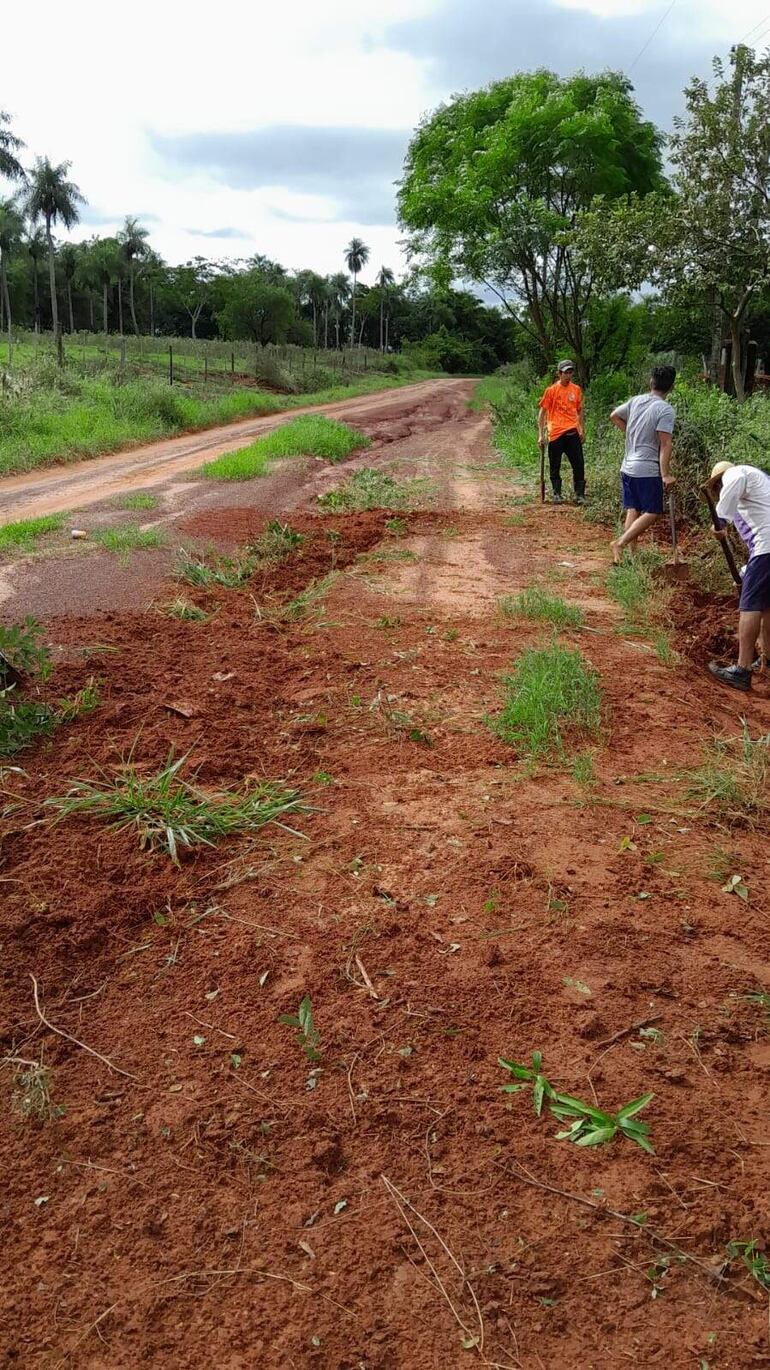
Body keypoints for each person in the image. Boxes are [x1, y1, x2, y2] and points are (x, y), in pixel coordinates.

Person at [706, 460, 770, 691]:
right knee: (766, 607)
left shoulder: (736, 473)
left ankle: (742, 671)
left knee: (750, 606)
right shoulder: (760, 483)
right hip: (765, 551)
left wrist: (720, 520)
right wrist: (744, 573)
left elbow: (735, 482)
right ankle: (768, 662)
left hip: (767, 548)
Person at [608, 365, 677, 565]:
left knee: (633, 508)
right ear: (670, 387)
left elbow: (614, 416)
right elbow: (665, 443)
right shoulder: (665, 409)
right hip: (646, 469)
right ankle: (619, 543)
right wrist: (665, 474)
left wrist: (631, 433)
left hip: (627, 466)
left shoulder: (636, 401)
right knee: (653, 511)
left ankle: (631, 555)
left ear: (651, 382)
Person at [538, 360, 585, 504]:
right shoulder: (551, 391)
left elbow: (580, 411)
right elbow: (542, 413)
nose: (568, 375)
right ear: (559, 373)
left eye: (570, 372)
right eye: (566, 372)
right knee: (555, 464)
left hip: (572, 431)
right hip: (556, 432)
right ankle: (557, 493)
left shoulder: (576, 390)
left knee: (579, 464)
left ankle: (579, 494)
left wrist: (581, 429)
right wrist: (540, 434)